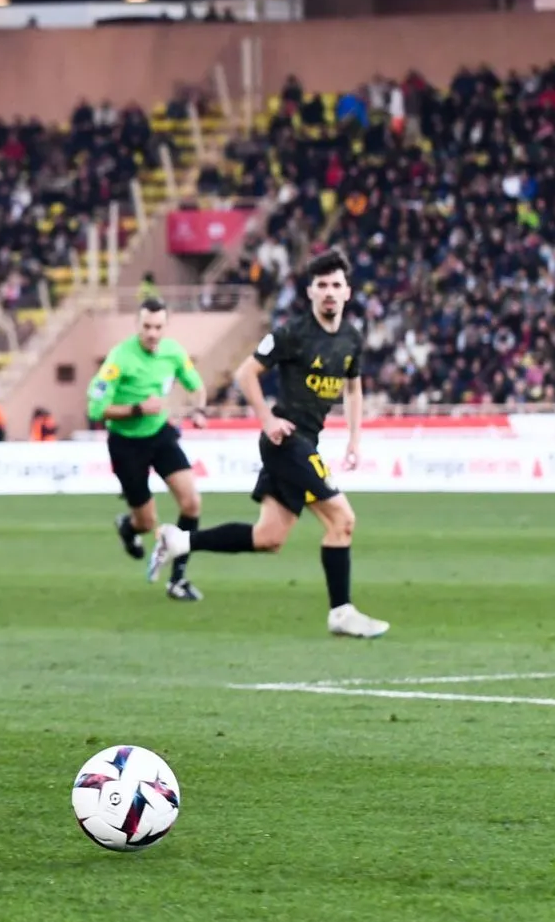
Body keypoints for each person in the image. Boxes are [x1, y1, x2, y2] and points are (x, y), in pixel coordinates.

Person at [147, 250, 390, 638]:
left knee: (268, 538)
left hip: (306, 443)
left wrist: (354, 439)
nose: (329, 292)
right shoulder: (292, 333)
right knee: (343, 520)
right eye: (322, 285)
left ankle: (179, 540)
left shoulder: (351, 340)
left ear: (348, 292)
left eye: (336, 285)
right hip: (286, 443)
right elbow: (247, 374)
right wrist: (268, 419)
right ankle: (341, 612)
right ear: (310, 292)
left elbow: (354, 388)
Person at [87, 298, 207, 601]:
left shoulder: (173, 352)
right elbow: (96, 409)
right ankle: (128, 527)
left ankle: (177, 579)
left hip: (160, 435)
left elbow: (196, 386)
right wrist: (138, 408)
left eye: (158, 327)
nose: (152, 333)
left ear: (165, 326)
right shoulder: (119, 358)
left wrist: (199, 409)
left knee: (191, 503)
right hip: (126, 444)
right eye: (146, 327)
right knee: (147, 522)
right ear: (137, 326)